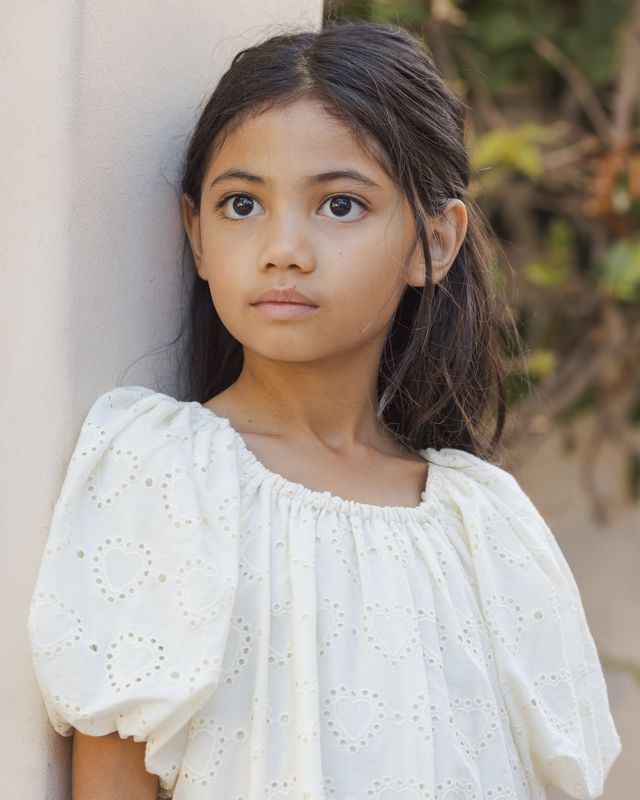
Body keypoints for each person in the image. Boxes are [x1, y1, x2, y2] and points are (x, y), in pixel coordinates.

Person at [27, 19, 622, 800]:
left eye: (340, 206)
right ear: (196, 236)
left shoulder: (488, 528)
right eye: (242, 204)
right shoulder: (164, 476)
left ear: (434, 243)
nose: (283, 248)